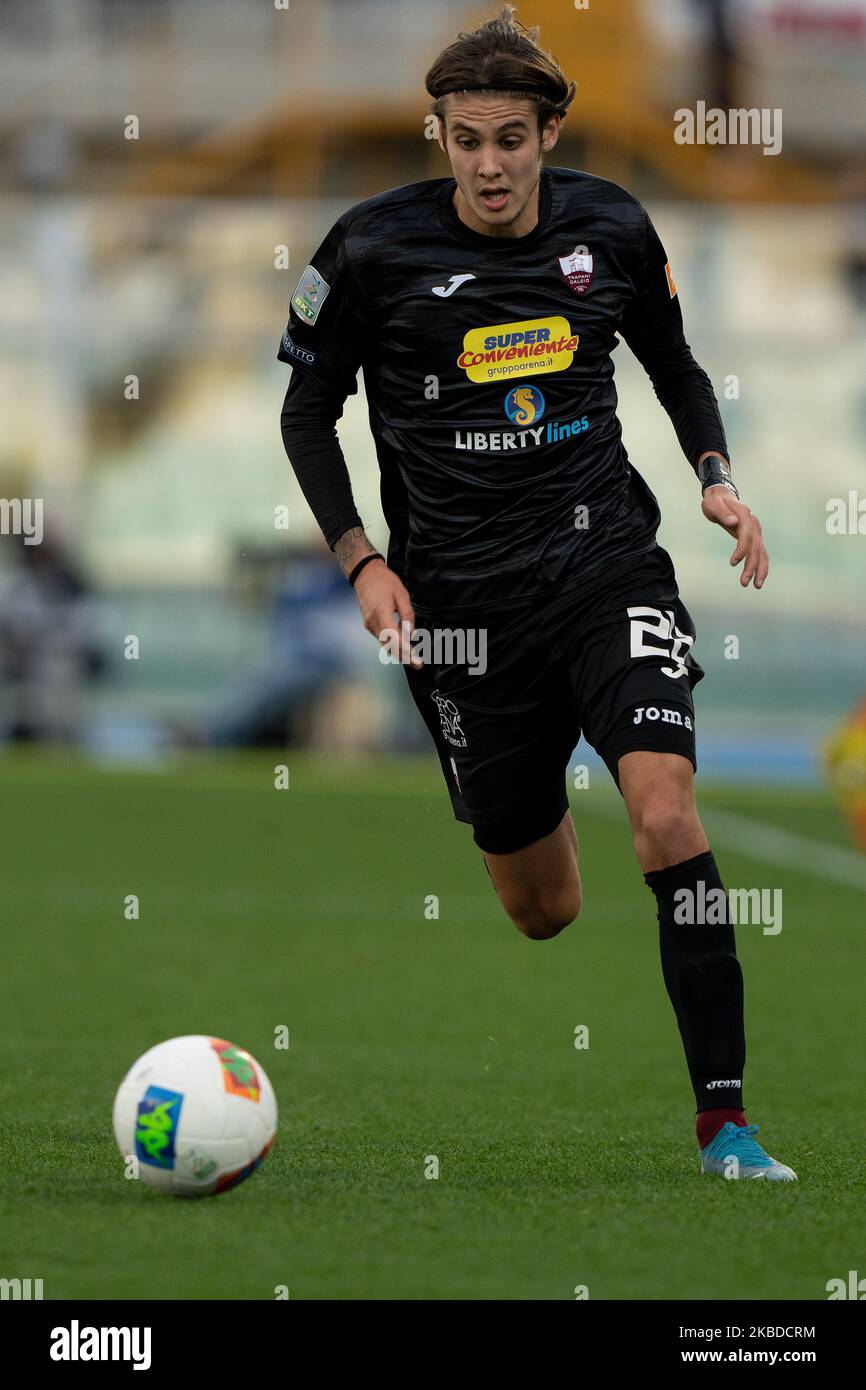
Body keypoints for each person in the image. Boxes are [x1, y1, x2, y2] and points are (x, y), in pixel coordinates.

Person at [278, 6, 795, 1180]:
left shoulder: (610, 227)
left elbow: (672, 364)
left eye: (510, 138)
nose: (488, 165)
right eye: (465, 140)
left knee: (665, 810)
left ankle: (725, 1122)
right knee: (540, 906)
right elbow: (307, 409)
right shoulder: (366, 249)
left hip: (602, 562)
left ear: (547, 132)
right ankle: (541, 762)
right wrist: (363, 557)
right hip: (459, 611)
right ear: (438, 135)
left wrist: (715, 480)